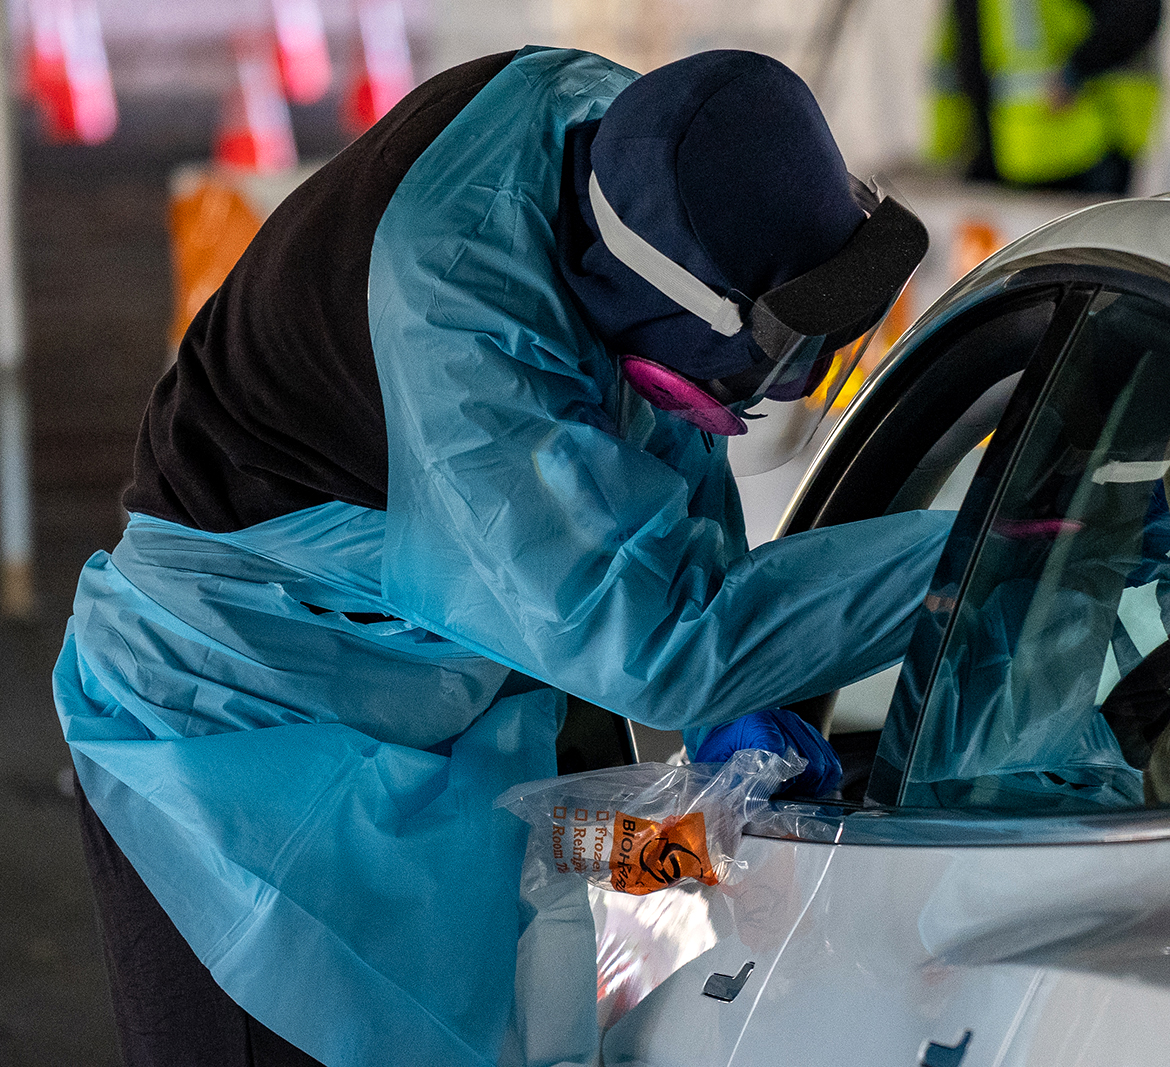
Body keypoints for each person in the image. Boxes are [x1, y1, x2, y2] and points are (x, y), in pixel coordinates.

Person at [53, 47, 950, 1067]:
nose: (779, 395)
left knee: (515, 1006)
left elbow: (663, 422)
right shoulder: (463, 341)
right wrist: (977, 553)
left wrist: (720, 715)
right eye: (770, 363)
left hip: (441, 685)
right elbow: (659, 645)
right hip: (234, 746)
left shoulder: (646, 154)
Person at [929, 0, 1163, 193]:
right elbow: (962, 53)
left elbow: (1135, 15)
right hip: (1004, 150)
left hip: (1087, 142)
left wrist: (1076, 70)